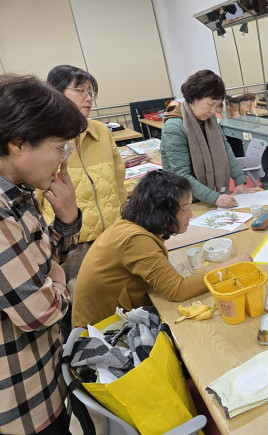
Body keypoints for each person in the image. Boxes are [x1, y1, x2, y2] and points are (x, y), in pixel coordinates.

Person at [0, 73, 86, 434]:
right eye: (59, 147)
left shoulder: (19, 190)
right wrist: (59, 282)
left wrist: (67, 219)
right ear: (18, 143)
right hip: (21, 402)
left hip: (44, 377)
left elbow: (46, 260)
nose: (63, 160)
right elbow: (41, 311)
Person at [72, 170, 252, 328]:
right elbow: (178, 291)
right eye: (185, 207)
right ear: (163, 212)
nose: (191, 215)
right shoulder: (136, 240)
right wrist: (229, 268)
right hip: (102, 332)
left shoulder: (135, 225)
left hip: (115, 318)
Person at [40, 65, 127, 284]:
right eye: (80, 90)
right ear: (56, 93)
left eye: (90, 92)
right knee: (81, 299)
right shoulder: (44, 140)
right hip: (73, 247)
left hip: (113, 237)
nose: (88, 98)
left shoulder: (101, 132)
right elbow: (36, 201)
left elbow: (119, 184)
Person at [161, 70, 257, 208]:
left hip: (206, 196)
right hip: (183, 199)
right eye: (210, 104)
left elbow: (225, 149)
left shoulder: (208, 120)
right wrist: (215, 198)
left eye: (216, 105)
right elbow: (181, 175)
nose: (213, 111)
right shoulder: (174, 127)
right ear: (193, 98)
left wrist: (239, 181)